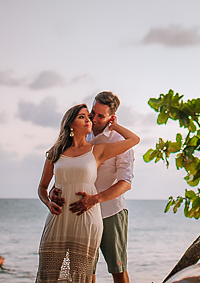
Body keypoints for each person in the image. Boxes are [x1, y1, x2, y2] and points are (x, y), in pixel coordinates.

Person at [37, 104, 139, 283]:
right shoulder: (56, 152)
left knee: (81, 274)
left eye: (88, 117)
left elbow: (134, 139)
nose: (88, 120)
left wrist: (114, 126)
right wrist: (48, 202)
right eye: (82, 117)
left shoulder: (98, 150)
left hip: (86, 217)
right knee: (48, 273)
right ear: (70, 124)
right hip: (58, 217)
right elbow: (42, 187)